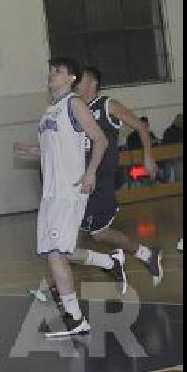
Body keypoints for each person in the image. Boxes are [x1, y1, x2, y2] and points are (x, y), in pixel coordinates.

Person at [13, 57, 112, 337]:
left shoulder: (74, 104)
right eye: (50, 70)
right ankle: (107, 265)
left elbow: (100, 139)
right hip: (50, 193)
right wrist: (29, 151)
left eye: (58, 71)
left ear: (71, 78)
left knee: (58, 252)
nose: (51, 74)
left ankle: (76, 317)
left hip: (70, 189)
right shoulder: (49, 112)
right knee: (55, 252)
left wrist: (91, 172)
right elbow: (51, 150)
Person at [72, 66, 163, 286]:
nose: (75, 82)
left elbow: (140, 127)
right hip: (83, 179)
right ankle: (145, 254)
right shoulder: (77, 109)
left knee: (75, 236)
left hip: (100, 179)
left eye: (80, 79)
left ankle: (63, 290)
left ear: (92, 82)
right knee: (98, 234)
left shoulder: (106, 105)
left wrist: (148, 157)